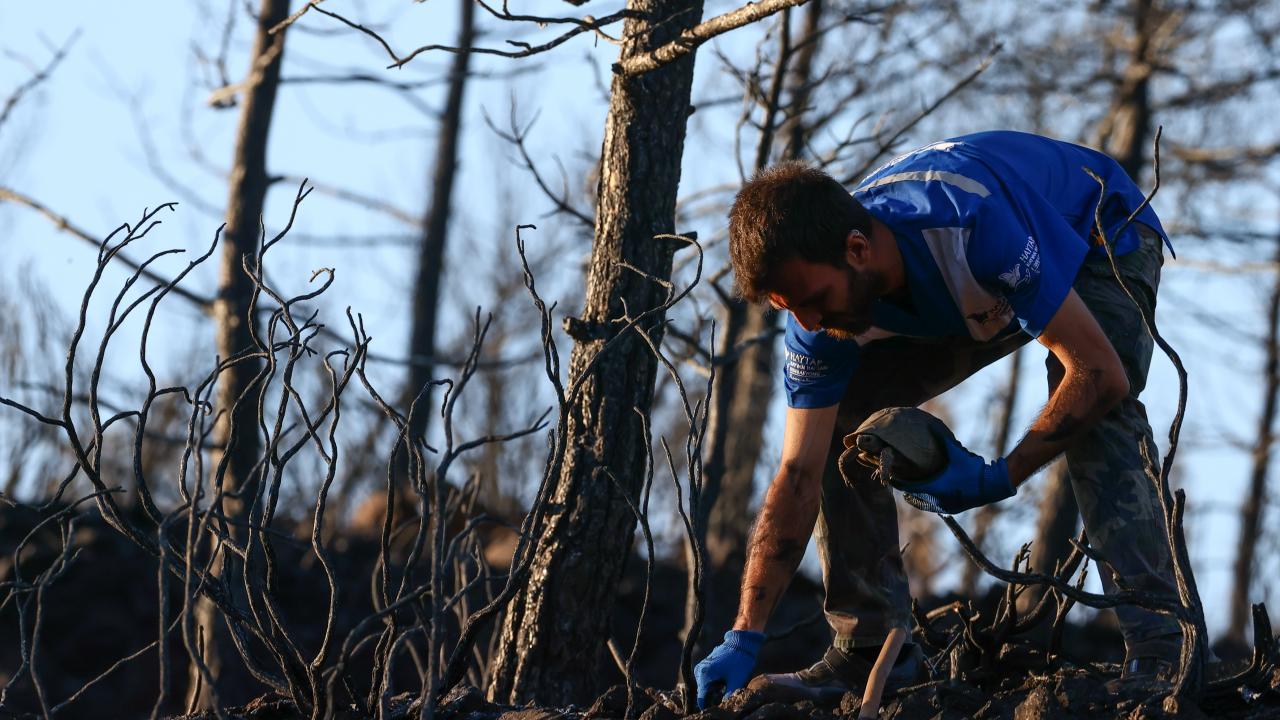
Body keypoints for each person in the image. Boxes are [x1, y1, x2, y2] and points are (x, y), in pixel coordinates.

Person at [693, 130, 1188, 707]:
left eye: (812, 298)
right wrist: (744, 632)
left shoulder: (971, 223)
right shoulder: (817, 314)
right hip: (975, 290)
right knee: (835, 425)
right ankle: (870, 650)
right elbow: (797, 476)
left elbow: (1100, 374)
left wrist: (1000, 476)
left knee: (1097, 413)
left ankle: (1164, 651)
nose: (807, 319)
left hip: (1096, 234)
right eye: (791, 308)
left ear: (857, 250)